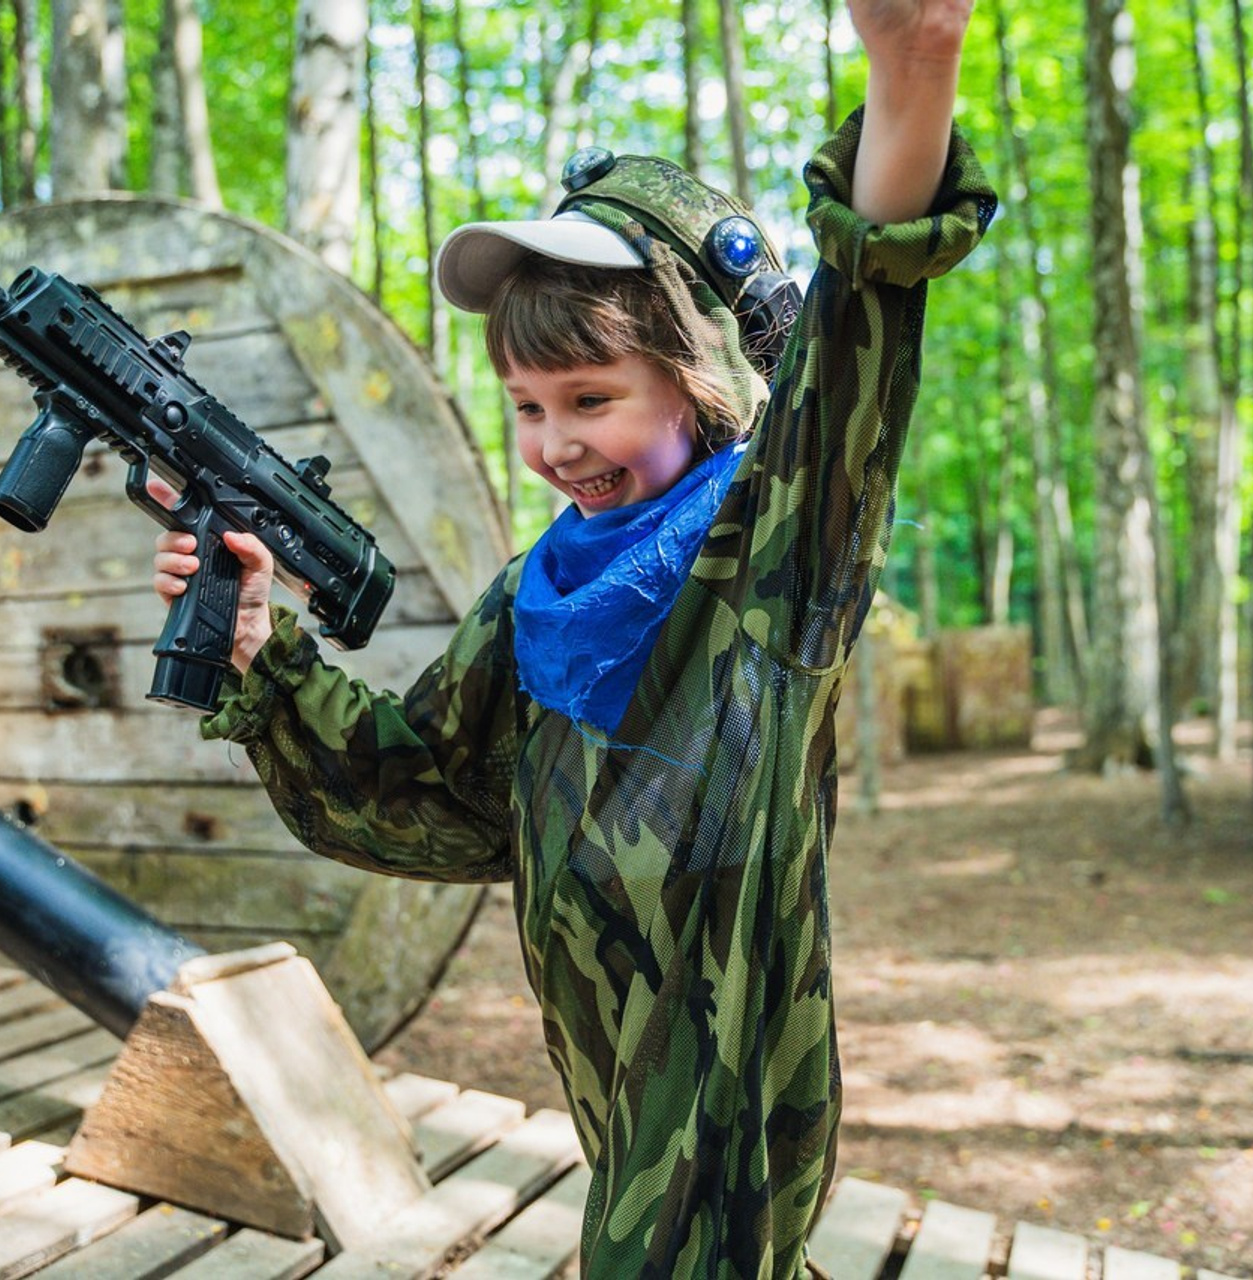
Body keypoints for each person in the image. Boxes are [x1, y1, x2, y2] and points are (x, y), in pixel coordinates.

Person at [152, 0, 995, 1273]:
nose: (553, 444)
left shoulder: (772, 558)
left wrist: (910, 60)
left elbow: (863, 315)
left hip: (721, 1109)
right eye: (528, 406)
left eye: (591, 400)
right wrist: (260, 650)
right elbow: (423, 784)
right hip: (608, 1092)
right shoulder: (534, 590)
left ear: (697, 374)